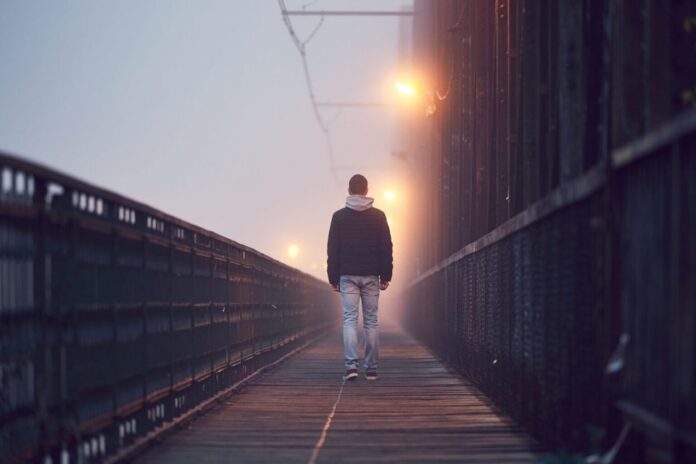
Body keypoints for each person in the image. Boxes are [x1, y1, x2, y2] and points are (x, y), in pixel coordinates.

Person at [327, 174, 393, 381]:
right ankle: (371, 369)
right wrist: (386, 274)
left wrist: (333, 277)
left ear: (349, 191)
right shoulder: (379, 216)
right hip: (372, 274)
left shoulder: (339, 217)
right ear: (366, 190)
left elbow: (332, 249)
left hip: (347, 274)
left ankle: (351, 367)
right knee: (371, 321)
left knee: (349, 320)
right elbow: (386, 247)